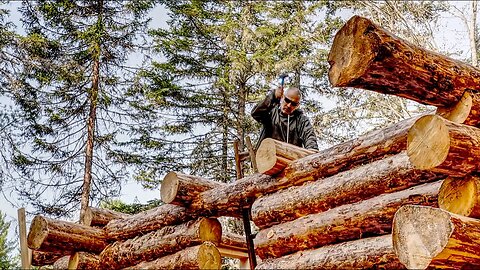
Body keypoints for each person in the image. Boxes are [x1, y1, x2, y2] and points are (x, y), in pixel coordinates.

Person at [251, 86, 319, 150]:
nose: (289, 105)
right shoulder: (271, 112)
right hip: (266, 158)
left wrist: (312, 152)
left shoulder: (302, 120)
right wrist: (272, 96)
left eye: (293, 104)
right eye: (287, 100)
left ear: (297, 105)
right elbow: (256, 113)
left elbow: (309, 137)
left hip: (290, 160)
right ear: (282, 97)